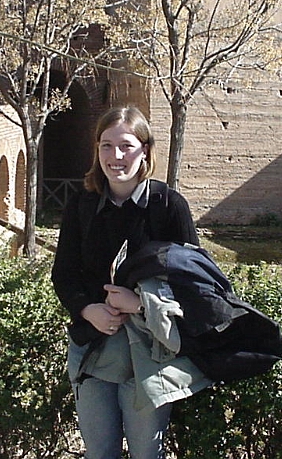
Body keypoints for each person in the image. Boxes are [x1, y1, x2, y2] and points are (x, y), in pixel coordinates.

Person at [51, 106, 200, 459]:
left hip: (149, 354)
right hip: (93, 349)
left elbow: (197, 284)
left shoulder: (168, 206)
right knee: (100, 453)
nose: (115, 156)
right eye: (106, 145)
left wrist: (140, 306)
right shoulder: (82, 204)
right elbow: (64, 273)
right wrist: (88, 310)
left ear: (145, 149)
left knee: (147, 455)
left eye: (126, 146)